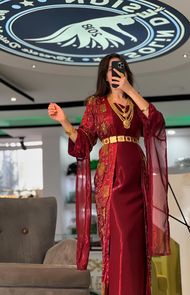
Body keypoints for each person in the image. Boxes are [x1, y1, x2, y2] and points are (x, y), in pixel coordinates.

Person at [48, 53, 170, 295]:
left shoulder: (136, 102)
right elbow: (83, 143)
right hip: (112, 179)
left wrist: (130, 90)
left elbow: (156, 123)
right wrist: (64, 122)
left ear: (125, 72)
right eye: (111, 69)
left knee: (137, 244)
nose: (115, 73)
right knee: (120, 241)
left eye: (120, 68)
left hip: (138, 179)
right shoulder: (96, 104)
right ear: (104, 74)